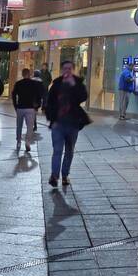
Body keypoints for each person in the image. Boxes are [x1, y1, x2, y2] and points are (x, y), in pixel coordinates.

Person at [44, 60, 89, 188]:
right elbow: (49, 102)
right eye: (65, 68)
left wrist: (74, 85)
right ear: (62, 69)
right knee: (57, 150)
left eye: (69, 68)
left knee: (69, 151)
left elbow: (83, 97)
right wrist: (51, 120)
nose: (67, 71)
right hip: (58, 124)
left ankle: (65, 175)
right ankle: (54, 175)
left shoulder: (78, 83)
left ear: (73, 69)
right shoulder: (57, 84)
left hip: (73, 124)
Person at [12, 68, 47, 152]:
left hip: (20, 108)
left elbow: (13, 95)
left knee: (19, 126)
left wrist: (15, 106)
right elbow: (40, 95)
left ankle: (18, 141)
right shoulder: (34, 84)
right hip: (30, 108)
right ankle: (27, 142)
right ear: (29, 74)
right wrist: (37, 105)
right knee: (30, 127)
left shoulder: (18, 83)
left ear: (22, 74)